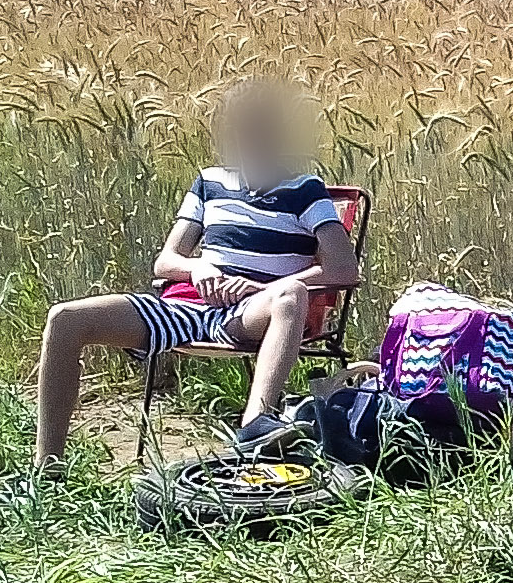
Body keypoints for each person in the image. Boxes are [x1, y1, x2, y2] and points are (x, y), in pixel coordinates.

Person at [31, 79, 359, 476]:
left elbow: (343, 269)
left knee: (290, 293)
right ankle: (48, 470)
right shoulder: (209, 182)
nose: (250, 140)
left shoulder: (305, 190)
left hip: (252, 310)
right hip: (185, 305)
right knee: (64, 318)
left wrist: (260, 289)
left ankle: (255, 424)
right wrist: (198, 267)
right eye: (242, 129)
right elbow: (165, 262)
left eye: (260, 130)